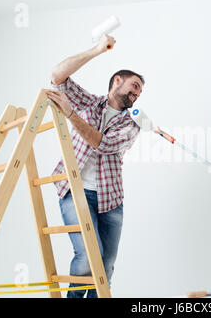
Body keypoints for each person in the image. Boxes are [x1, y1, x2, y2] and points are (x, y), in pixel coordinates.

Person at [46, 34, 144, 298]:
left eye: (139, 92)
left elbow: (102, 143)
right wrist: (97, 49)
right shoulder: (89, 102)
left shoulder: (132, 123)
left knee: (106, 267)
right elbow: (57, 76)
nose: (136, 94)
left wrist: (70, 114)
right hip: (74, 190)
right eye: (134, 86)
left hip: (111, 200)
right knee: (89, 256)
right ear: (117, 81)